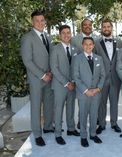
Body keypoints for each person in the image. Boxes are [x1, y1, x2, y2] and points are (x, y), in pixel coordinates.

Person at [20, 10, 54, 146]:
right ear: (32, 22)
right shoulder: (27, 38)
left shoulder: (48, 36)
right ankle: (37, 134)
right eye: (37, 21)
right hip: (36, 79)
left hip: (49, 77)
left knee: (48, 104)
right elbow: (27, 61)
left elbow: (50, 56)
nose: (40, 23)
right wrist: (42, 75)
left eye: (42, 20)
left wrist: (50, 73)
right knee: (35, 107)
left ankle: (47, 127)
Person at [50, 25, 80, 145]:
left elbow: (76, 68)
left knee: (71, 107)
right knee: (58, 109)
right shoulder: (55, 49)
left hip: (72, 84)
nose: (66, 35)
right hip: (59, 85)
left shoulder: (75, 49)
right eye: (64, 33)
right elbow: (54, 68)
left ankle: (71, 129)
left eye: (68, 32)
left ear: (71, 34)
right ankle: (58, 133)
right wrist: (66, 83)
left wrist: (73, 81)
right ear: (59, 35)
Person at [73, 37, 105, 147]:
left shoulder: (99, 59)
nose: (88, 46)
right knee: (83, 115)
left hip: (96, 93)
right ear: (82, 45)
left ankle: (93, 134)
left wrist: (98, 88)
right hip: (83, 93)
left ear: (93, 45)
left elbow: (103, 76)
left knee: (94, 114)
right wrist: (86, 90)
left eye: (90, 44)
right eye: (86, 44)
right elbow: (76, 77)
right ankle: (83, 136)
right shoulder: (77, 59)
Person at [94, 19, 122, 134]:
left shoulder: (120, 42)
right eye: (104, 27)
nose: (106, 28)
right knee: (102, 102)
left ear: (112, 28)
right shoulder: (96, 43)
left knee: (114, 102)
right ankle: (101, 124)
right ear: (101, 29)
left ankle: (114, 123)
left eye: (108, 26)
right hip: (102, 79)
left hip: (115, 78)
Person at [71, 18, 98, 129]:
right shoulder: (74, 39)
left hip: (93, 76)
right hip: (80, 77)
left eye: (89, 25)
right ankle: (81, 121)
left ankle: (93, 120)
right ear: (81, 26)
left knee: (94, 102)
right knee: (82, 102)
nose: (87, 27)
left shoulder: (96, 38)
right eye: (85, 25)